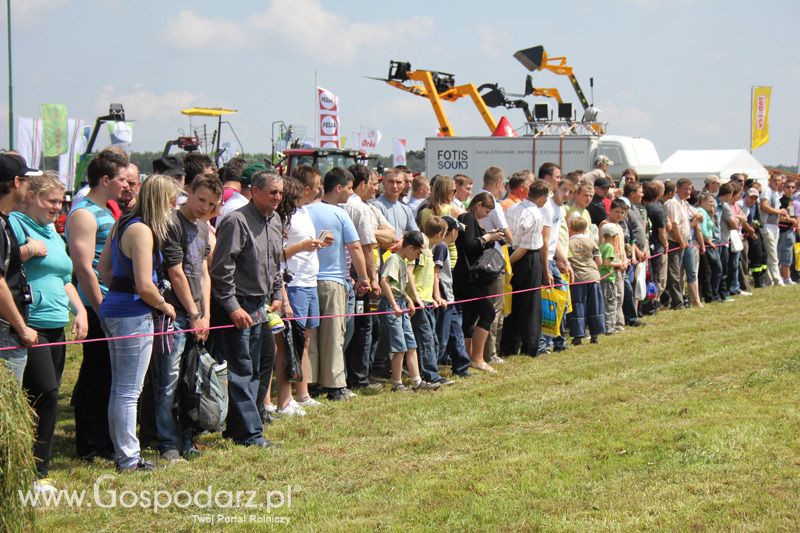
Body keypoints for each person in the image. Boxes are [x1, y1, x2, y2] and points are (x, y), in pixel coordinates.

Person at [9, 171, 88, 490]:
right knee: (45, 394)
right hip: (30, 323)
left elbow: (65, 278)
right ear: (31, 197)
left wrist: (80, 310)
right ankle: (32, 471)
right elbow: (7, 261)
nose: (57, 207)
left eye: (60, 201)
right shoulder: (15, 222)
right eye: (50, 201)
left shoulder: (53, 233)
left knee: (49, 394)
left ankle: (38, 464)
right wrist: (29, 251)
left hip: (57, 324)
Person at [97, 174, 178, 472]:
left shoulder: (122, 224)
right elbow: (145, 285)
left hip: (114, 309)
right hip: (133, 315)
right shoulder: (143, 231)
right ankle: (130, 458)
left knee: (120, 388)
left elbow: (104, 270)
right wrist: (164, 305)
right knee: (129, 391)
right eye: (172, 202)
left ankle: (124, 452)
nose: (174, 209)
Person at [209, 171, 284, 447]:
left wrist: (276, 292)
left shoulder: (275, 220)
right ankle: (250, 433)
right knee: (242, 368)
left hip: (260, 303)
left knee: (262, 362)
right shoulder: (236, 221)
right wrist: (231, 306)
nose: (277, 197)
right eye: (272, 192)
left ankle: (240, 425)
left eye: (280, 193)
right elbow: (222, 269)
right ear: (254, 191)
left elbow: (276, 262)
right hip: (237, 303)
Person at [66, 147, 130, 461]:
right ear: (105, 179)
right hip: (98, 305)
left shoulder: (106, 209)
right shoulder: (84, 213)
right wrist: (101, 308)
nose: (126, 185)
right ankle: (90, 445)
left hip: (111, 302)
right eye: (121, 180)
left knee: (108, 374)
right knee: (96, 374)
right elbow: (84, 268)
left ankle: (104, 439)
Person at [155, 173, 220, 461]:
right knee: (168, 380)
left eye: (211, 203)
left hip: (196, 315)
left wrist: (205, 313)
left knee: (191, 380)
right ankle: (167, 443)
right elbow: (176, 271)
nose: (205, 207)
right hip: (176, 314)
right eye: (201, 199)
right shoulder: (172, 224)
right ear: (189, 192)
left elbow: (204, 273)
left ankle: (187, 437)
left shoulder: (204, 227)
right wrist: (194, 313)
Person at [306, 168, 370, 401]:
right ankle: (334, 384)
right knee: (334, 334)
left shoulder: (306, 210)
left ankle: (311, 381)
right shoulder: (340, 214)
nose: (351, 194)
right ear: (339, 188)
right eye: (350, 188)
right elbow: (355, 246)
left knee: (311, 335)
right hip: (333, 281)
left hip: (309, 281)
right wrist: (363, 277)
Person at [283, 166, 327, 409]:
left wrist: (318, 244)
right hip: (295, 284)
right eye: (317, 185)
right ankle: (286, 396)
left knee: (306, 342)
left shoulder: (304, 212)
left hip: (310, 282)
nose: (320, 190)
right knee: (292, 343)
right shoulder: (286, 215)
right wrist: (303, 246)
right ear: (306, 188)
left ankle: (303, 393)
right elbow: (277, 253)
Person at [378, 231, 439, 392]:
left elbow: (398, 286)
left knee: (411, 345)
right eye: (418, 252)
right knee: (400, 347)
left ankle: (417, 381)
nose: (418, 256)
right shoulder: (394, 260)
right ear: (410, 248)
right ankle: (397, 383)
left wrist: (408, 299)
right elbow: (384, 282)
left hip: (401, 304)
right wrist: (394, 305)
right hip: (393, 307)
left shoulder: (403, 262)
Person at [454, 192, 505, 373]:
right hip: (468, 278)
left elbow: (477, 245)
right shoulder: (466, 217)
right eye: (487, 210)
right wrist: (487, 238)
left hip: (468, 278)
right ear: (479, 204)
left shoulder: (473, 221)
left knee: (469, 317)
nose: (487, 214)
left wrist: (490, 237)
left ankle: (467, 358)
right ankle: (477, 358)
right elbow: (468, 245)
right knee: (488, 312)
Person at [0, 153, 39, 381]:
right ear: (16, 182)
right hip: (5, 331)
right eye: (26, 179)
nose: (29, 185)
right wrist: (20, 327)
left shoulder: (6, 221)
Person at [500, 180, 549, 356]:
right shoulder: (536, 215)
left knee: (513, 302)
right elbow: (525, 247)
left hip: (511, 253)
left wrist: (507, 261)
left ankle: (509, 345)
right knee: (531, 304)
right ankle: (531, 346)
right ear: (542, 198)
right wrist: (509, 263)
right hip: (527, 258)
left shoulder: (513, 208)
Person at [476, 166, 513, 365]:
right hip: (493, 261)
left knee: (481, 309)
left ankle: (482, 352)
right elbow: (508, 235)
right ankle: (491, 352)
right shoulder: (494, 204)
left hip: (478, 260)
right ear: (499, 183)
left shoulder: (474, 199)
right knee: (495, 308)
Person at [413, 217, 451, 386]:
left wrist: (435, 296)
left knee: (432, 339)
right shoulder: (421, 249)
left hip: (427, 300)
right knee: (426, 338)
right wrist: (415, 297)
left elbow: (433, 276)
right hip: (419, 301)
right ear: (441, 233)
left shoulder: (428, 249)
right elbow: (410, 275)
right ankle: (430, 376)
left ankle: (431, 372)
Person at [433, 215, 471, 377]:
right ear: (453, 232)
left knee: (456, 332)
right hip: (443, 297)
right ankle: (431, 371)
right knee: (441, 337)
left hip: (449, 297)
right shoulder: (441, 247)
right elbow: (436, 273)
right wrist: (438, 295)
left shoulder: (442, 247)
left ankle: (461, 366)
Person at [566, 216, 605, 344]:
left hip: (577, 279)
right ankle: (595, 335)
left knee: (578, 305)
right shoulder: (591, 242)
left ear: (570, 228)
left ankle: (578, 336)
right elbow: (599, 261)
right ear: (585, 228)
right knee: (595, 305)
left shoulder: (568, 243)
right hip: (593, 277)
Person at [664, 178, 691, 310]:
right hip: (674, 242)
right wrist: (681, 242)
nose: (688, 191)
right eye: (685, 188)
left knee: (679, 274)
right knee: (674, 274)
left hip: (682, 242)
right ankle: (677, 303)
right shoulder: (673, 203)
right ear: (678, 189)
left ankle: (679, 300)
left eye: (690, 188)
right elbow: (674, 225)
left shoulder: (683, 203)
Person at [372, 167, 418, 240]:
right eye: (391, 182)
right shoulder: (376, 206)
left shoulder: (406, 209)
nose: (394, 186)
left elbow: (416, 235)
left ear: (403, 184)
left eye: (398, 182)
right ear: (383, 183)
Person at [696, 192, 724, 303]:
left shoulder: (707, 212)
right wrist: (709, 242)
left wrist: (712, 214)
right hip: (707, 244)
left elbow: (710, 226)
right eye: (710, 201)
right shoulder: (700, 211)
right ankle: (711, 295)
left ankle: (713, 294)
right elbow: (702, 230)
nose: (713, 204)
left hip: (709, 242)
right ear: (702, 201)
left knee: (714, 270)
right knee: (715, 269)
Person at [759, 174, 787, 286]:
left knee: (772, 254)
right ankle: (777, 279)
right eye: (775, 180)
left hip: (775, 226)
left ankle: (769, 279)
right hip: (767, 225)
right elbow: (764, 206)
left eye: (779, 181)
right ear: (770, 181)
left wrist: (783, 214)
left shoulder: (776, 193)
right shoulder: (767, 190)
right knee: (773, 254)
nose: (777, 182)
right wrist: (779, 212)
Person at [599, 224, 623, 334]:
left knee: (604, 303)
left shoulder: (601, 246)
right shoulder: (609, 247)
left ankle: (605, 326)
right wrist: (618, 264)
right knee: (610, 303)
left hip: (602, 278)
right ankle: (609, 328)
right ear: (613, 236)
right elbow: (607, 263)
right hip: (608, 278)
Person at [777, 178, 797, 285]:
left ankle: (785, 277)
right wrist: (791, 220)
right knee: (785, 255)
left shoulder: (790, 200)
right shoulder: (781, 200)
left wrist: (792, 219)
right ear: (783, 187)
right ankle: (786, 278)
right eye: (788, 187)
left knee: (788, 255)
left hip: (789, 229)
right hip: (783, 230)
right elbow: (778, 216)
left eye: (793, 187)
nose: (790, 189)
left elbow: (791, 214)